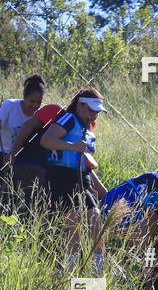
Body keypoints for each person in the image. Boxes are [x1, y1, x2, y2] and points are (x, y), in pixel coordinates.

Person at [41, 88, 108, 272]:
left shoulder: (89, 130)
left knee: (95, 223)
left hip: (82, 180)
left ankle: (97, 274)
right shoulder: (69, 118)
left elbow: (84, 163)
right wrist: (71, 146)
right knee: (76, 227)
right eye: (91, 110)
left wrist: (101, 190)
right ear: (80, 105)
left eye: (97, 111)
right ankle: (69, 276)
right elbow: (46, 140)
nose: (94, 115)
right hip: (61, 177)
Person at [0, 74, 46, 207]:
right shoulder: (10, 105)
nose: (35, 106)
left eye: (39, 102)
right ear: (24, 96)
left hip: (20, 157)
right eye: (32, 101)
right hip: (3, 152)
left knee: (13, 195)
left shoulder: (39, 115)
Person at [9, 101, 64, 205]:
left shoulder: (81, 128)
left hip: (48, 170)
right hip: (29, 162)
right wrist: (13, 153)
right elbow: (28, 125)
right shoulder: (57, 111)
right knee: (34, 208)